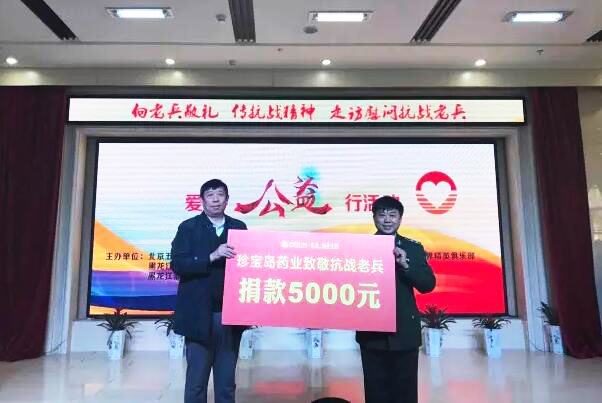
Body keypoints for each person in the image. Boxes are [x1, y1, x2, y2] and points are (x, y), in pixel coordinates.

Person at [170, 179, 247, 403]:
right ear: (202, 200)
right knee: (196, 382)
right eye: (210, 195)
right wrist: (212, 256)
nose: (215, 200)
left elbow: (248, 265)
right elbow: (178, 264)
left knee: (226, 383)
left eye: (220, 195)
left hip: (229, 316)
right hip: (198, 316)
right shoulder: (188, 228)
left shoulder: (239, 227)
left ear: (227, 199)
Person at [356, 196, 436, 403]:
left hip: (404, 332)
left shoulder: (413, 248)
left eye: (392, 215)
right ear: (374, 218)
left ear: (400, 219)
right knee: (375, 393)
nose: (387, 220)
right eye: (381, 215)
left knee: (405, 393)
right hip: (372, 333)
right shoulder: (361, 248)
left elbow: (428, 285)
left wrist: (405, 265)